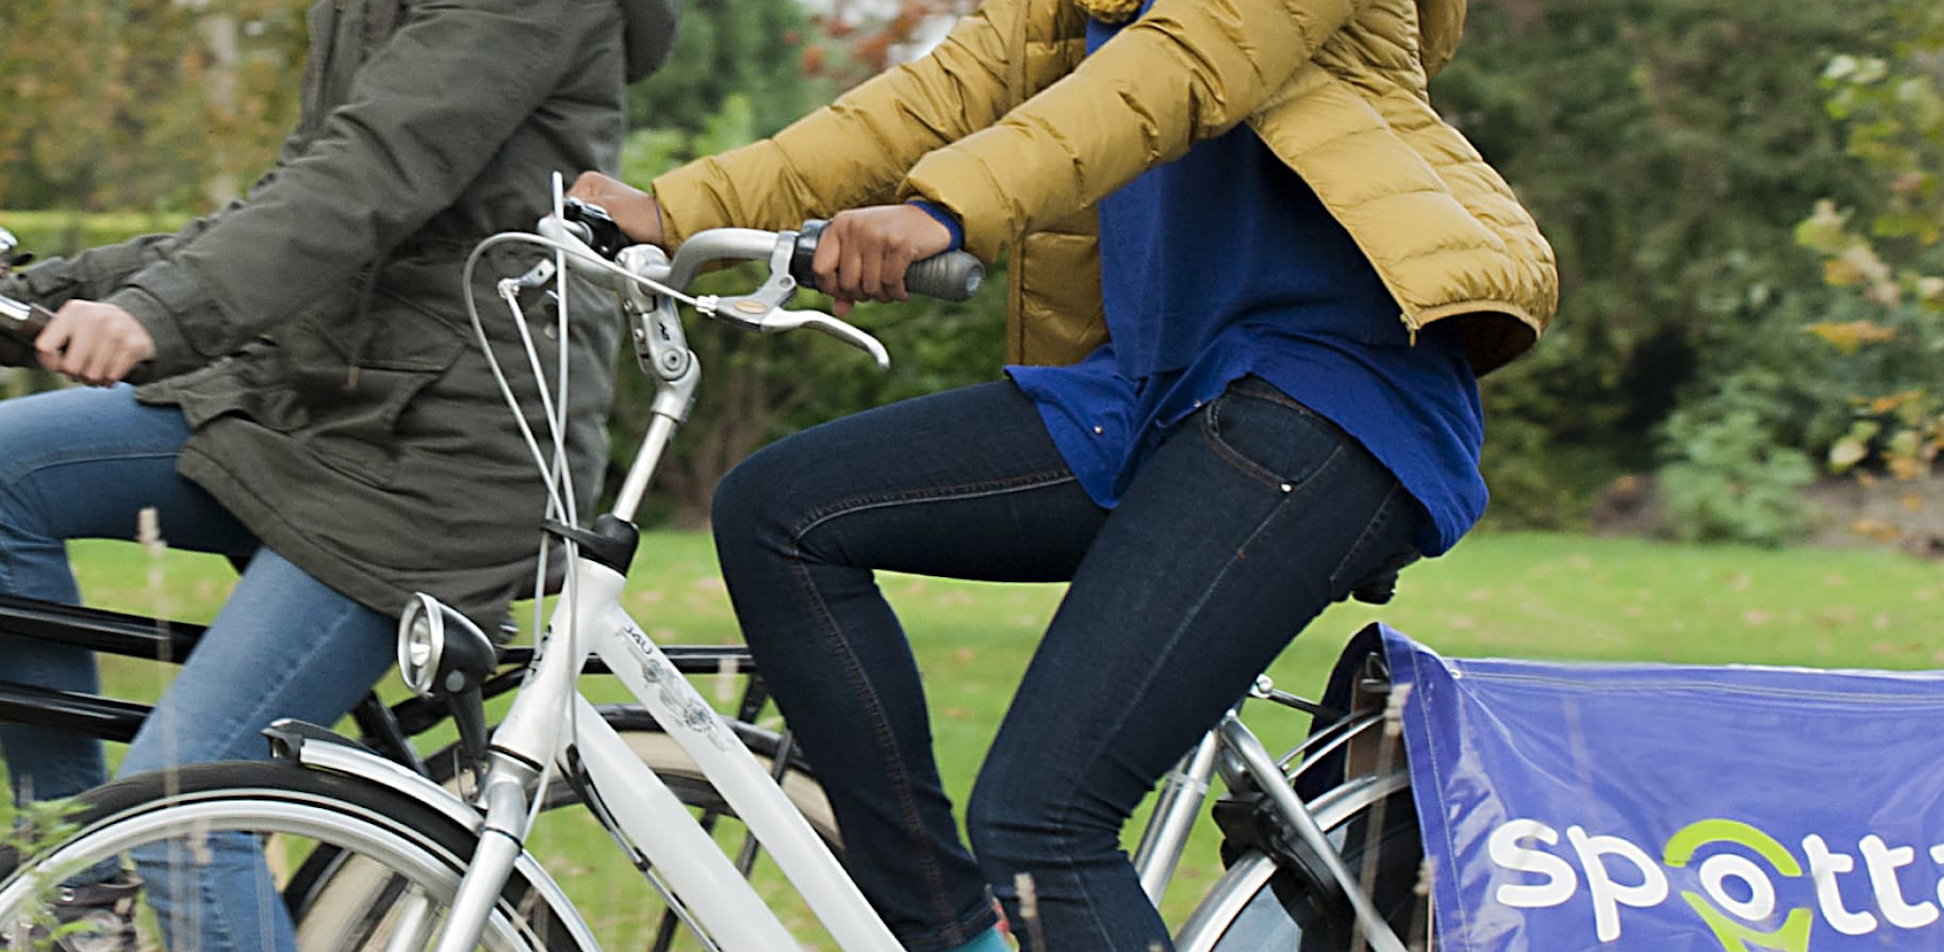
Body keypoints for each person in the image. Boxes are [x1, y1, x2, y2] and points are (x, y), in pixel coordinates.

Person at [572, 0, 1555, 943]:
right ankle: (952, 937)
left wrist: (945, 209)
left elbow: (1177, 64)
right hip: (1150, 395)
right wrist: (675, 208)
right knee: (779, 511)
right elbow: (947, 91)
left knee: (1043, 818)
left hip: (1324, 391)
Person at [0, 0, 678, 948]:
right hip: (307, 397)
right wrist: (44, 295)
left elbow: (372, 176)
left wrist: (162, 313)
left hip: (445, 449)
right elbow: (296, 187)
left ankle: (119, 849)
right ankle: (72, 899)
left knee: (190, 796)